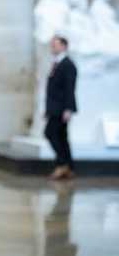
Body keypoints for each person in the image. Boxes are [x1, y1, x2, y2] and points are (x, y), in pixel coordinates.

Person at [44, 34, 77, 180]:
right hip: (54, 108)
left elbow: (69, 89)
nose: (52, 47)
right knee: (62, 137)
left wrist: (68, 109)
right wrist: (47, 110)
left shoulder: (68, 65)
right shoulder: (57, 63)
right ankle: (69, 167)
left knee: (50, 133)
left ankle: (62, 164)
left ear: (64, 46)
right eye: (52, 45)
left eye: (55, 45)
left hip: (61, 109)